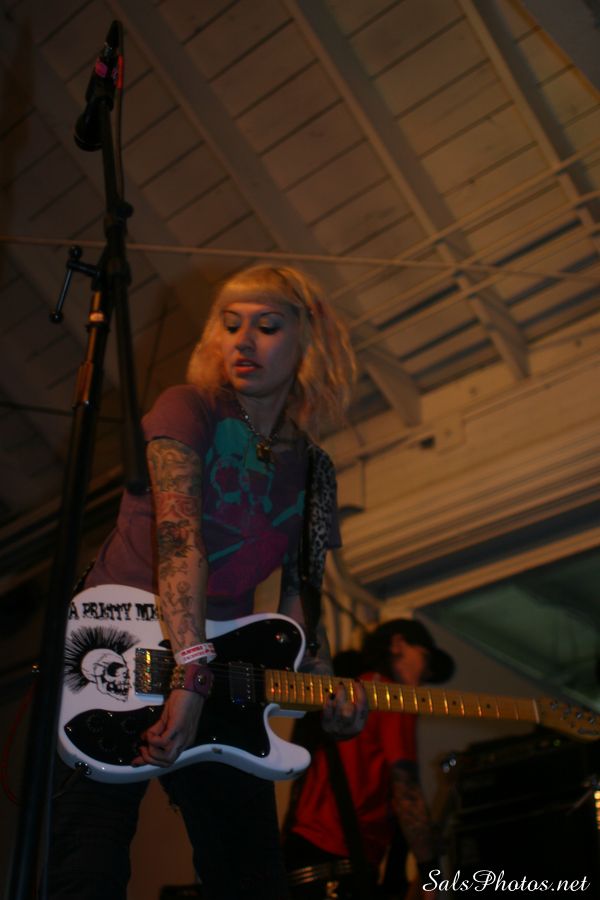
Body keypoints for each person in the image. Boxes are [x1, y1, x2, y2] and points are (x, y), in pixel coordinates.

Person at [47, 265, 367, 900]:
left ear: (307, 340)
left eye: (267, 326)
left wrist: (323, 685)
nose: (243, 340)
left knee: (251, 873)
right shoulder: (188, 407)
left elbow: (303, 598)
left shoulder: (315, 470)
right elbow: (179, 538)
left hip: (221, 668)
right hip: (118, 645)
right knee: (89, 861)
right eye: (230, 324)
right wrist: (189, 672)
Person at [284, 619, 455, 899]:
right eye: (425, 658)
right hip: (338, 859)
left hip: (303, 853)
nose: (427, 674)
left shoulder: (351, 689)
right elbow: (406, 790)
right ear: (398, 644)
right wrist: (431, 873)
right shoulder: (391, 695)